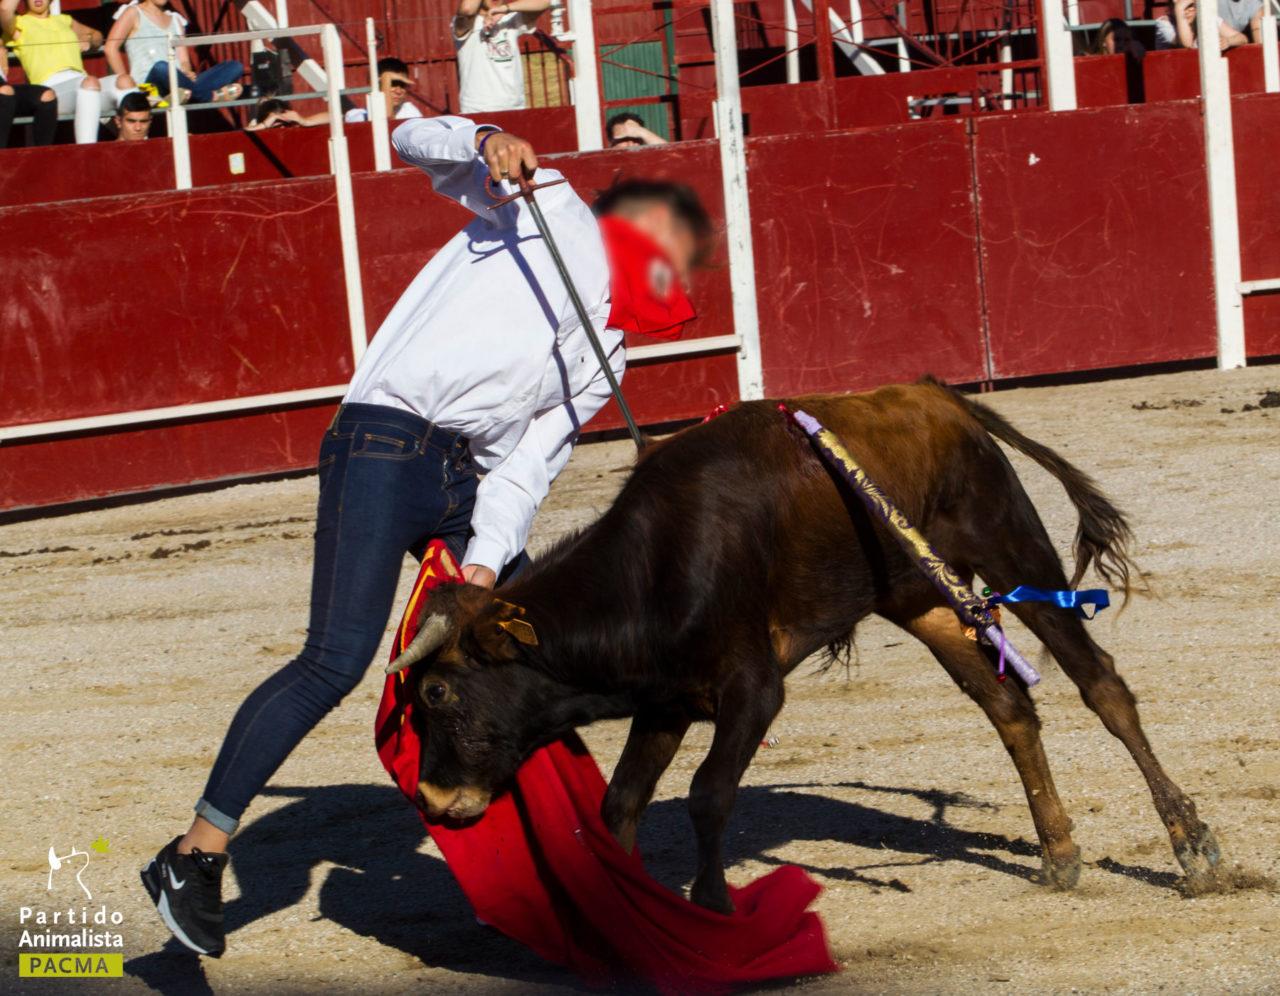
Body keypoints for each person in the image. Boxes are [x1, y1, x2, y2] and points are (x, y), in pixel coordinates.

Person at [139, 113, 711, 959]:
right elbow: (411, 137)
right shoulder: (546, 203)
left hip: (461, 484)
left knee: (528, 652)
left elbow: (522, 469)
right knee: (333, 659)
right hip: (382, 439)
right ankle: (194, 854)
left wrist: (482, 570)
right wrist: (482, 142)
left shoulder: (611, 356)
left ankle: (531, 879)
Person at [1, 0, 135, 143]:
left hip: (83, 83)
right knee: (89, 83)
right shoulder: (19, 24)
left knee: (125, 81)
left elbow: (97, 36)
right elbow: (4, 9)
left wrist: (89, 41)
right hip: (51, 88)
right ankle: (87, 152)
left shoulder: (63, 20)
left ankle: (137, 146)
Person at [105, 0, 242, 106]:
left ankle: (186, 96)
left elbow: (184, 61)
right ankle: (209, 97)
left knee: (235, 66)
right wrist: (128, 87)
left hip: (180, 85)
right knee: (162, 67)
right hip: (149, 87)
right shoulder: (133, 12)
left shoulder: (176, 20)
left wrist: (187, 72)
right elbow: (110, 48)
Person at [453, 0, 550, 113]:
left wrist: (505, 9)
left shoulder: (510, 19)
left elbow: (546, 2)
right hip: (478, 109)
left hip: (515, 107)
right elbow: (467, 9)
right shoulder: (465, 23)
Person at [1, 40, 56, 147]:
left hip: (4, 86)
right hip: (4, 90)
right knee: (5, 91)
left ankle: (42, 156)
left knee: (46, 95)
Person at [344, 56, 422, 123]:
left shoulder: (410, 111)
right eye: (392, 84)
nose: (398, 91)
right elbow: (384, 121)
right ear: (375, 85)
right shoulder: (356, 115)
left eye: (402, 85)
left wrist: (386, 78)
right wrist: (386, 77)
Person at [1155, 0, 1260, 48]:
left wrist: (1227, 41)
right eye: (1184, 8)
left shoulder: (1208, 19)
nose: (1188, 11)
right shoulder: (1164, 24)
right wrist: (1179, 8)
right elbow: (1187, 44)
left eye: (1192, 6)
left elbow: (1242, 38)